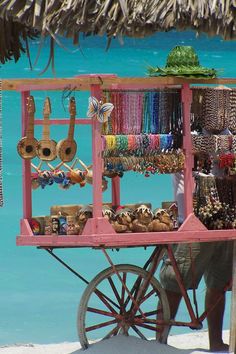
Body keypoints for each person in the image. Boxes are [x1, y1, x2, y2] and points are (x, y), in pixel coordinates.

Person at [160, 128, 233, 352]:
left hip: (225, 218)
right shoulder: (184, 134)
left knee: (219, 284)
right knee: (175, 281)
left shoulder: (230, 137)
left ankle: (216, 341)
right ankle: (160, 341)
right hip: (191, 220)